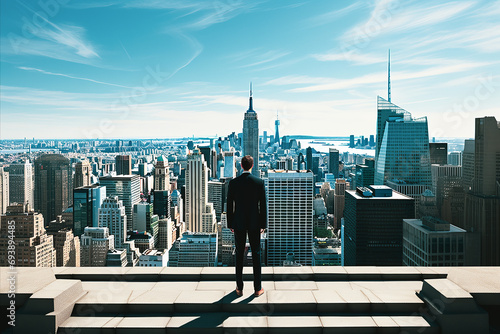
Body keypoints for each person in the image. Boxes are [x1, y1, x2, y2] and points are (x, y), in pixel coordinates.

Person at [226, 155, 267, 297]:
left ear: (241, 166)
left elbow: (229, 205)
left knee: (239, 254)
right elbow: (263, 206)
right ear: (252, 165)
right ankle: (257, 288)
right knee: (256, 254)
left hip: (239, 222)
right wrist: (263, 224)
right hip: (255, 223)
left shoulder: (233, 183)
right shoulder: (259, 182)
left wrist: (230, 223)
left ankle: (239, 288)